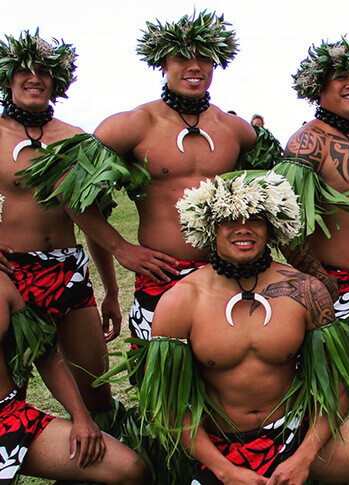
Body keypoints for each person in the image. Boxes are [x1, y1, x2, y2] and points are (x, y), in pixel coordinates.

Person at [101, 172, 349, 484]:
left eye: (255, 219)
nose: (243, 229)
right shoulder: (180, 301)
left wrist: (302, 458)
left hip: (297, 435)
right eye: (229, 219)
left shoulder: (306, 291)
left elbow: (337, 386)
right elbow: (169, 405)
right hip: (219, 447)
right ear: (209, 228)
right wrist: (225, 471)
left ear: (271, 228)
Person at [17, 12, 281, 343]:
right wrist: (121, 248)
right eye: (182, 57)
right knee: (164, 386)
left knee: (226, 380)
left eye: (204, 58)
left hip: (226, 276)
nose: (194, 66)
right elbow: (68, 189)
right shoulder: (132, 125)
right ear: (162, 64)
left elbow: (281, 188)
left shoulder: (236, 130)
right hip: (162, 275)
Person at [0, 30, 121, 427]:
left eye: (45, 72)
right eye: (25, 70)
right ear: (7, 79)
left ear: (57, 82)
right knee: (10, 386)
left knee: (96, 388)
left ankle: (100, 462)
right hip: (9, 273)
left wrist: (112, 291)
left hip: (68, 270)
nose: (35, 77)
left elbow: (94, 222)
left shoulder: (76, 140)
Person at [0, 192, 148, 484]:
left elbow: (44, 355)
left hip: (7, 415)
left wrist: (81, 417)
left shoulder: (3, 286)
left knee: (131, 467)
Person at [282, 36, 349, 385]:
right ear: (319, 85)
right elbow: (284, 222)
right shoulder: (307, 141)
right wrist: (322, 282)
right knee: (333, 401)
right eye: (342, 76)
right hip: (332, 286)